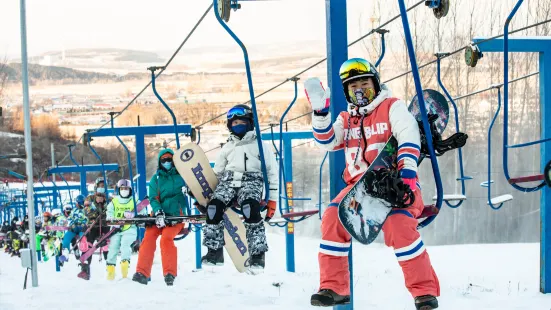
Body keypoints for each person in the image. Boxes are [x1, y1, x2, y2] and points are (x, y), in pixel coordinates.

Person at [305, 58, 440, 309]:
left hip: (397, 182)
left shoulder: (392, 107)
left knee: (399, 226)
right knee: (333, 217)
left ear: (376, 83)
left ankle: (424, 291)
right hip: (359, 187)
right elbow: (327, 141)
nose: (359, 90)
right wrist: (321, 114)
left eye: (365, 83)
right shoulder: (347, 118)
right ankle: (334, 287)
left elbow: (408, 133)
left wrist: (408, 170)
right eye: (353, 86)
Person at [199, 104, 278, 270]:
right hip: (229, 181)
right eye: (234, 124)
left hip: (251, 180)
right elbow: (218, 173)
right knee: (213, 209)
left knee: (250, 208)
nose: (238, 126)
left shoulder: (261, 146)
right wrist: (206, 198)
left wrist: (272, 199)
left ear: (250, 123)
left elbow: (272, 173)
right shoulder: (227, 147)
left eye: (241, 122)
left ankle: (257, 255)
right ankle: (215, 251)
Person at [132, 149, 189, 286]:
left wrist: (189, 191)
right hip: (159, 216)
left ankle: (170, 273)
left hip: (176, 216)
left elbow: (193, 189)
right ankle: (142, 273)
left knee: (166, 239)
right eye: (164, 160)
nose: (167, 162)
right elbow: (153, 197)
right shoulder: (156, 179)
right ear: (160, 162)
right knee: (148, 238)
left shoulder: (182, 176)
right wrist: (158, 211)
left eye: (169, 159)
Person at [105, 179, 146, 280]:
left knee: (125, 245)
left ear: (130, 189)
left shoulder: (135, 201)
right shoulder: (114, 201)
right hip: (116, 228)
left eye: (126, 188)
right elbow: (109, 212)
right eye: (122, 188)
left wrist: (133, 215)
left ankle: (124, 268)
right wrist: (112, 220)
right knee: (113, 248)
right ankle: (110, 270)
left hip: (130, 228)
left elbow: (143, 212)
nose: (124, 190)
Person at [78, 180, 110, 280]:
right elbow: (86, 211)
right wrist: (95, 208)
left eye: (103, 186)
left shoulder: (109, 199)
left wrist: (104, 206)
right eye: (100, 186)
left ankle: (110, 266)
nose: (101, 188)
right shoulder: (89, 198)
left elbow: (112, 211)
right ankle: (85, 268)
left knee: (106, 243)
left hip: (104, 224)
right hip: (93, 225)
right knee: (87, 244)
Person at [60, 195, 88, 262]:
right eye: (78, 203)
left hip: (82, 228)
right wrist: (71, 224)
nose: (78, 204)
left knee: (83, 237)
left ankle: (84, 252)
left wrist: (85, 224)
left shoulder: (86, 210)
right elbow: (69, 218)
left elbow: (88, 219)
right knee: (67, 237)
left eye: (80, 203)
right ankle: (65, 253)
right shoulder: (74, 210)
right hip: (74, 228)